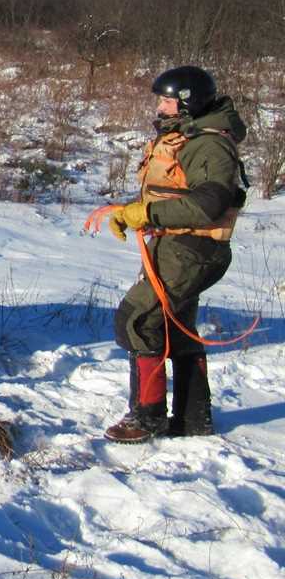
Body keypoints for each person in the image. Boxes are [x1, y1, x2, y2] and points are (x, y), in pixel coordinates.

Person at [104, 65, 248, 443]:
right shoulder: (189, 135)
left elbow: (209, 202)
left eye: (167, 99)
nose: (160, 105)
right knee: (175, 328)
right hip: (178, 243)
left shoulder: (210, 143)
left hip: (191, 247)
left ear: (188, 103)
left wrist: (148, 213)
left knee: (137, 321)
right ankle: (192, 419)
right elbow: (173, 191)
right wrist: (130, 212)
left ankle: (147, 418)